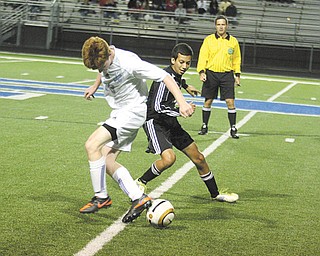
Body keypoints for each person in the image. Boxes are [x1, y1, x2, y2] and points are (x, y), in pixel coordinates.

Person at [79, 36, 194, 223]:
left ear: (109, 54)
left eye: (101, 66)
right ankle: (138, 198)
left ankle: (101, 197)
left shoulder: (129, 63)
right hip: (121, 112)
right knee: (107, 160)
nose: (100, 70)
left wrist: (181, 103)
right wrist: (95, 85)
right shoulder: (106, 55)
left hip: (132, 113)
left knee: (92, 145)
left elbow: (164, 76)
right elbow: (102, 70)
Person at [136, 43, 239, 203]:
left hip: (170, 121)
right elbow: (157, 107)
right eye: (181, 62)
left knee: (198, 157)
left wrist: (185, 85)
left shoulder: (174, 75)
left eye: (188, 63)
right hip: (155, 122)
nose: (184, 66)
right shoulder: (163, 79)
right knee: (169, 159)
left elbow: (177, 81)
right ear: (173, 60)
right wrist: (180, 111)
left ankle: (215, 194)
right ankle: (141, 182)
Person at [197, 15, 241, 138]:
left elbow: (237, 59)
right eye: (218, 24)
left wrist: (237, 74)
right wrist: (201, 72)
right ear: (215, 26)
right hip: (211, 74)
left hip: (227, 75)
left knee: (230, 102)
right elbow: (203, 56)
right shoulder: (209, 40)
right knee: (208, 101)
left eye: (223, 24)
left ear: (227, 26)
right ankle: (204, 125)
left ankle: (233, 128)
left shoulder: (233, 41)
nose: (221, 27)